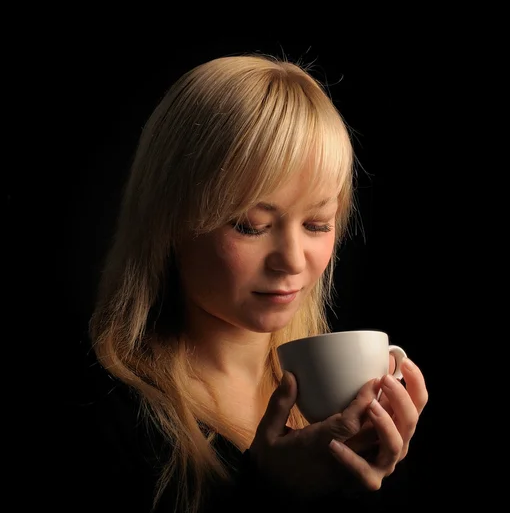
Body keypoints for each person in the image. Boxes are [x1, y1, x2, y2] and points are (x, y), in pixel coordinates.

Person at [68, 53, 428, 513]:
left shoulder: (345, 402)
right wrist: (267, 497)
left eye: (317, 224)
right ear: (169, 221)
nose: (292, 261)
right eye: (250, 225)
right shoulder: (100, 414)